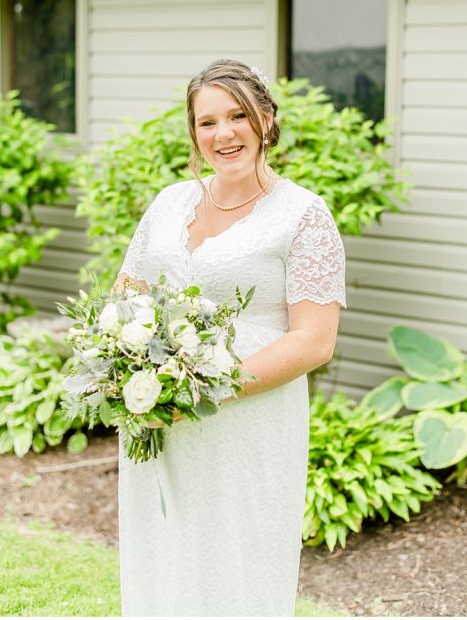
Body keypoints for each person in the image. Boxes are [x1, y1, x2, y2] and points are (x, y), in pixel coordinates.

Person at [114, 58, 346, 615]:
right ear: (193, 133)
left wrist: (205, 389)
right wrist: (126, 366)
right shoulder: (170, 203)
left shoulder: (303, 215)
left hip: (249, 415)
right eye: (207, 122)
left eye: (237, 116)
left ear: (266, 119)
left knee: (238, 554)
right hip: (159, 412)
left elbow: (315, 341)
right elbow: (127, 291)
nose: (223, 134)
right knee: (161, 544)